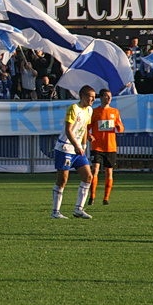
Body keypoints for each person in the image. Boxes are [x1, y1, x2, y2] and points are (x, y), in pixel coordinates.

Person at [50, 84, 96, 219]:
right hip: (65, 148)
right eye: (90, 97)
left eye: (94, 97)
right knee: (62, 180)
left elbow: (85, 127)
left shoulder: (89, 110)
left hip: (78, 149)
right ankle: (55, 212)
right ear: (82, 96)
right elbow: (68, 130)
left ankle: (78, 209)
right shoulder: (74, 109)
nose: (92, 100)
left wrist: (86, 138)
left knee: (88, 176)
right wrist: (76, 145)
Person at [87, 89, 124, 206]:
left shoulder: (115, 112)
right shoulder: (94, 111)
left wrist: (119, 126)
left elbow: (121, 128)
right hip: (97, 146)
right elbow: (87, 127)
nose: (109, 98)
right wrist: (89, 136)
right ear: (101, 97)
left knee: (109, 173)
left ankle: (106, 198)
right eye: (107, 96)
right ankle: (92, 196)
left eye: (110, 96)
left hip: (110, 147)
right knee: (95, 170)